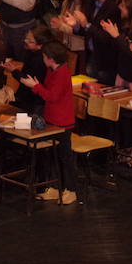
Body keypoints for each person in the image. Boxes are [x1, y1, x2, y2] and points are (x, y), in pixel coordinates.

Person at [19, 40, 78, 205]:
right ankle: (54, 187)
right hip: (51, 119)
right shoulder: (52, 70)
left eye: (44, 57)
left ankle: (71, 190)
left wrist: (35, 86)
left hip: (63, 121)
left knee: (65, 157)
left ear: (51, 58)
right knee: (51, 156)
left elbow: (52, 96)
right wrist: (35, 85)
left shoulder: (62, 72)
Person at [62, 0, 120, 85]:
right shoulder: (92, 3)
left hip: (105, 60)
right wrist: (76, 25)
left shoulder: (113, 8)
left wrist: (86, 24)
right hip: (92, 55)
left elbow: (107, 38)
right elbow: (85, 31)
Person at [50, 0, 90, 74]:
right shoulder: (68, 0)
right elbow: (63, 19)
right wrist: (59, 21)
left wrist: (61, 25)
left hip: (78, 49)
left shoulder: (87, 5)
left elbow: (79, 32)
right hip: (64, 46)